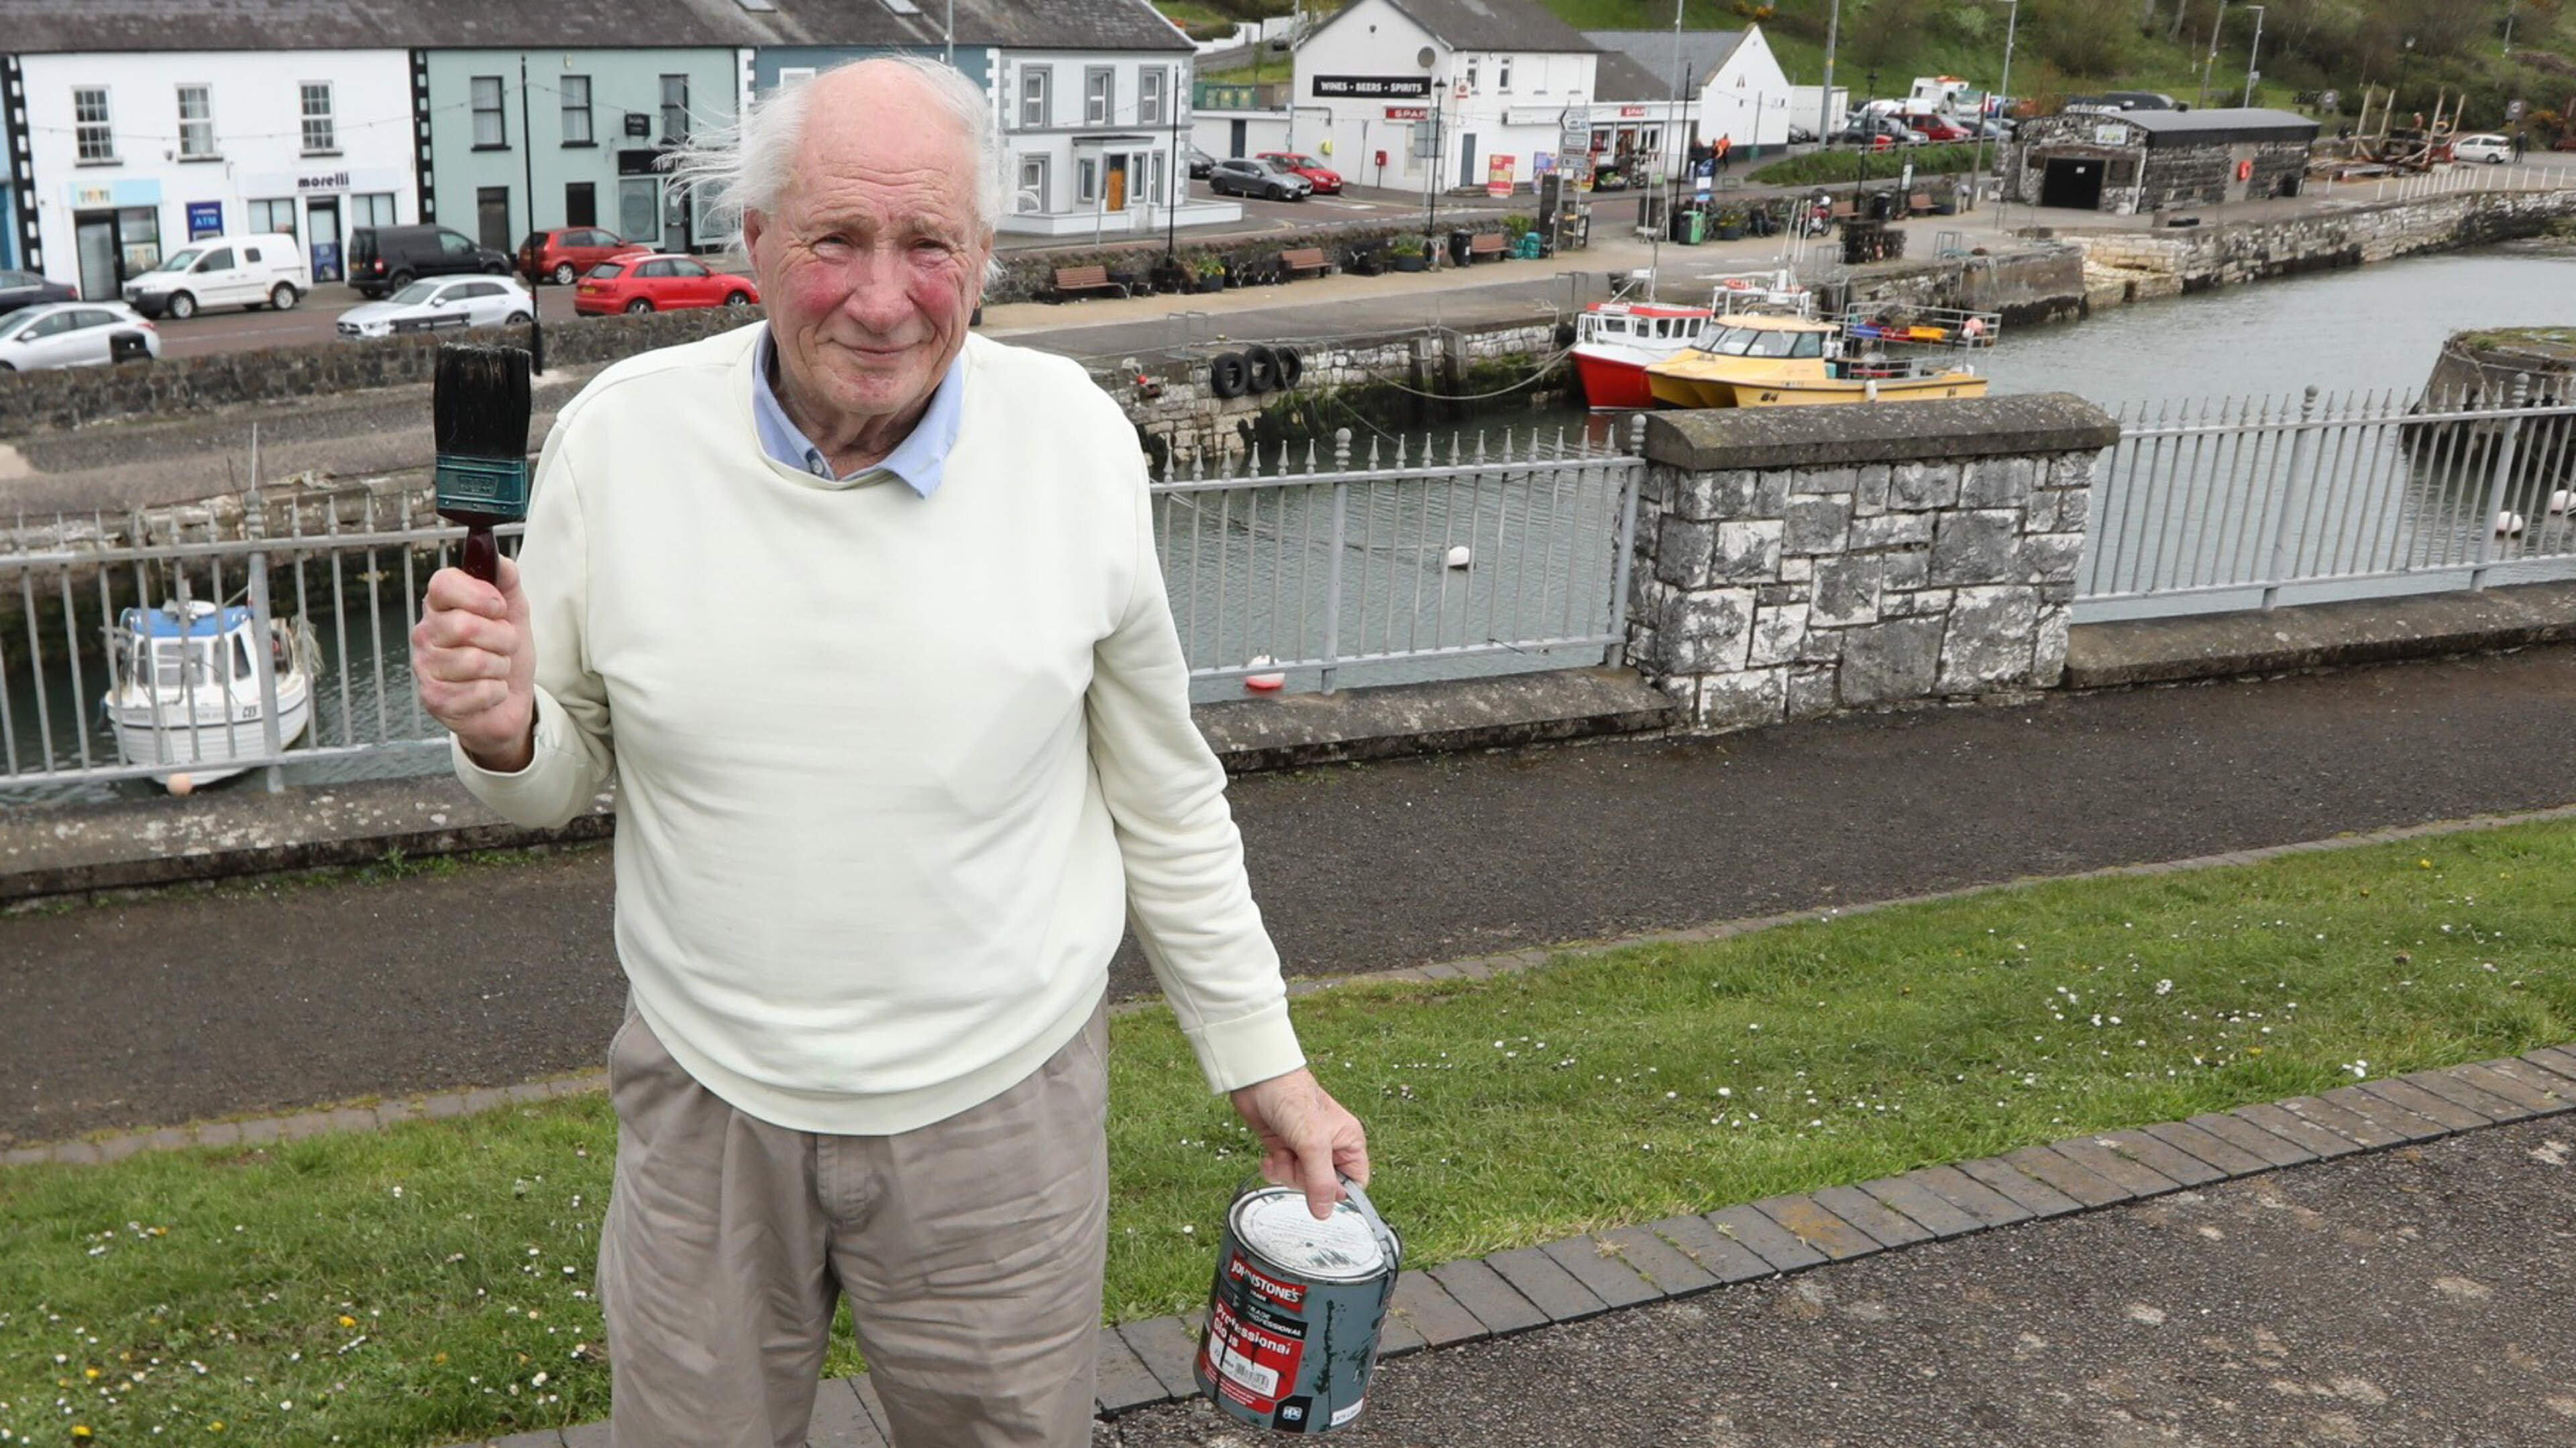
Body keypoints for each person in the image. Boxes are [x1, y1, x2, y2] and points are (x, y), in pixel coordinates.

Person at [408, 56, 1368, 1448]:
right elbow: (559, 771)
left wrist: (1263, 1058)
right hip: (707, 1101)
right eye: (834, 239)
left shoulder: (1078, 449)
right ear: (752, 246)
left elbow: (1163, 790)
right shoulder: (619, 446)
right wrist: (504, 735)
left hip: (1001, 1108)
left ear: (983, 258)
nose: (880, 294)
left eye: (927, 243)